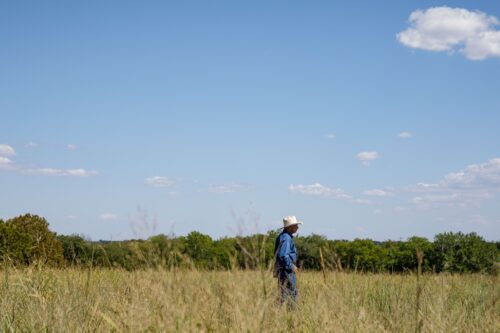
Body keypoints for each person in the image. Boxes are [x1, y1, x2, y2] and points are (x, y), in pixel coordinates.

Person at [274, 215, 303, 309]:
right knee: (291, 294)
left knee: (284, 294)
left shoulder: (283, 236)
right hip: (286, 271)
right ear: (290, 227)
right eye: (295, 225)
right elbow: (283, 255)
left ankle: (278, 315)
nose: (297, 227)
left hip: (283, 270)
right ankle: (292, 317)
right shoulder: (286, 238)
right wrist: (292, 266)